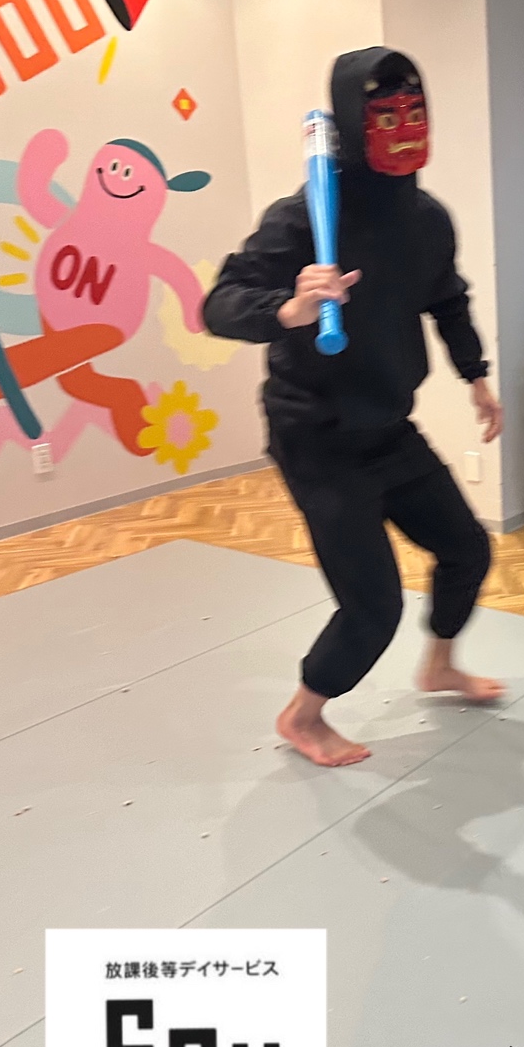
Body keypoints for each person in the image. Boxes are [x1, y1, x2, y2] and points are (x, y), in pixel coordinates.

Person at [203, 46, 505, 767]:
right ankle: (303, 716)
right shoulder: (301, 219)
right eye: (385, 116)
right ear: (350, 123)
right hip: (316, 436)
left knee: (467, 549)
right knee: (374, 605)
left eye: (415, 112)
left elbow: (447, 298)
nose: (405, 129)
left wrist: (476, 377)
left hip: (388, 424)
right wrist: (289, 308)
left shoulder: (427, 219)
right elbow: (219, 304)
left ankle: (440, 666)